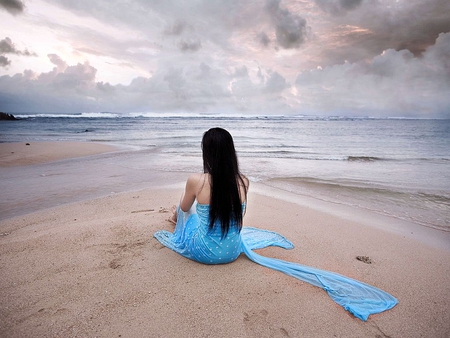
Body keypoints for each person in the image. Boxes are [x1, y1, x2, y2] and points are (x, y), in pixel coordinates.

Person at [154, 127, 398, 321]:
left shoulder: (196, 180)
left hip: (206, 253)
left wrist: (180, 213)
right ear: (230, 152)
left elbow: (186, 208)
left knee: (186, 214)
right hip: (232, 251)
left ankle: (172, 219)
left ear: (207, 152)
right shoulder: (243, 181)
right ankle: (183, 221)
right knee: (203, 217)